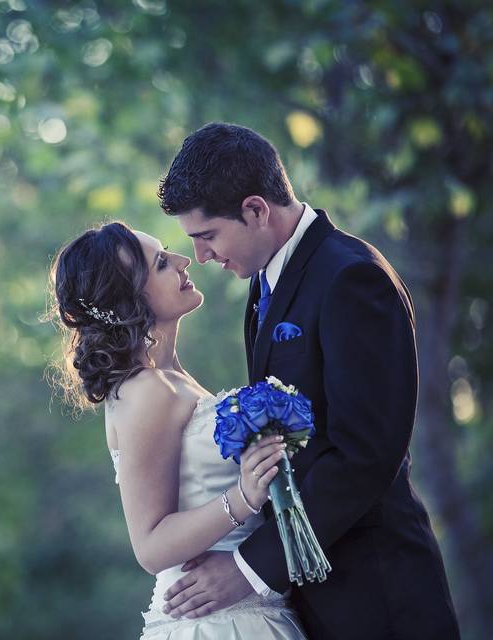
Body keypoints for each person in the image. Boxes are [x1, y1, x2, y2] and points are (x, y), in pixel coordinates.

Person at [156, 122, 459, 639]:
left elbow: (366, 453)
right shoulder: (265, 285)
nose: (202, 257)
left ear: (255, 210)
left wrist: (249, 569)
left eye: (207, 236)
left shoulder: (351, 277)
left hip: (377, 595)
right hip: (309, 598)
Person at [49, 221, 308, 638]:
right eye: (162, 263)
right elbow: (150, 545)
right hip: (212, 622)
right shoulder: (148, 391)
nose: (186, 260)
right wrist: (244, 496)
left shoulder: (174, 380)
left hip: (250, 606)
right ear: (131, 299)